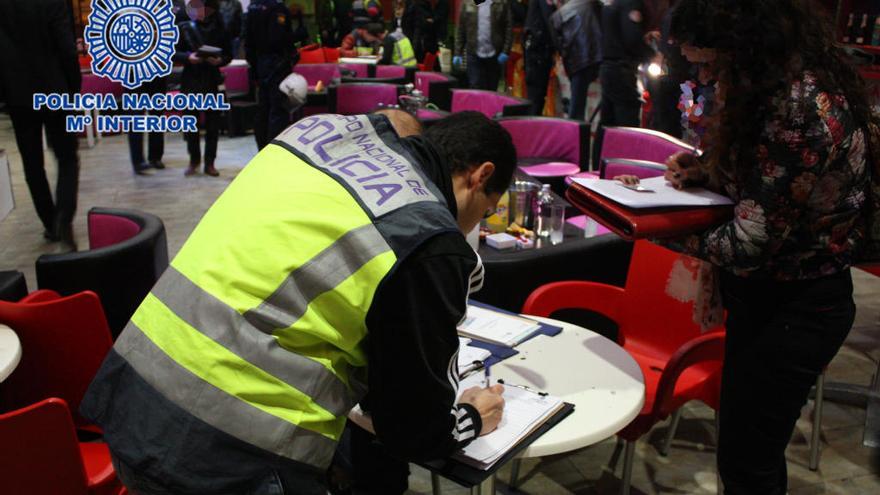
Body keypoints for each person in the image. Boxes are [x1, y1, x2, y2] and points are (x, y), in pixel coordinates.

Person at [81, 110, 514, 494]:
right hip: (233, 452)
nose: (481, 221)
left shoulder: (313, 133)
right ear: (480, 177)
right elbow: (412, 430)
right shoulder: (428, 238)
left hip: (133, 398)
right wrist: (471, 415)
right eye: (489, 209)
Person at [621, 1, 876, 493]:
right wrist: (704, 171)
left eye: (710, 64)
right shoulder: (788, 83)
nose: (703, 75)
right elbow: (771, 185)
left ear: (745, 45)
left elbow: (748, 244)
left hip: (795, 309)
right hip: (779, 301)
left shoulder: (796, 109)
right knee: (748, 456)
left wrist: (647, 226)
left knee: (747, 462)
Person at [0, 0, 80, 251]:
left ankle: (49, 221)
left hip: (17, 95)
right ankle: (63, 218)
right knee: (67, 158)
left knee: (32, 163)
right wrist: (73, 87)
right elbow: (66, 47)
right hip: (54, 89)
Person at [175, 0, 232, 177]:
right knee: (191, 124)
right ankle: (194, 160)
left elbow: (228, 53)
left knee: (213, 124)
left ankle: (210, 163)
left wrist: (220, 60)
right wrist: (187, 57)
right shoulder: (183, 22)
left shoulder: (218, 24)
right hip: (190, 79)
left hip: (211, 79)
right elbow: (171, 51)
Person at [593, 0, 651, 165]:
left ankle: (598, 168)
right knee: (627, 126)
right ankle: (627, 168)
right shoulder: (630, 3)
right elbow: (631, 38)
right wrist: (652, 54)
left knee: (606, 123)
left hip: (608, 66)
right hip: (622, 69)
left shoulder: (611, 3)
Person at [245, 0, 297, 150]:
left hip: (260, 64)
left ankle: (262, 150)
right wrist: (297, 35)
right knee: (278, 110)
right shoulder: (277, 8)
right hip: (277, 65)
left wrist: (254, 69)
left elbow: (247, 41)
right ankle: (274, 151)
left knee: (263, 109)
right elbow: (277, 40)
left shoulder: (252, 8)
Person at [548, 0, 603, 120]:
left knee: (577, 105)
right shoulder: (590, 4)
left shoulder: (557, 16)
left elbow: (558, 45)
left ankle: (576, 134)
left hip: (577, 62)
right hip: (598, 57)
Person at [454, 0, 514, 91]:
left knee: (491, 87)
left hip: (495, 53)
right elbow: (461, 29)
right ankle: (477, 105)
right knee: (475, 85)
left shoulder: (501, 3)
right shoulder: (467, 3)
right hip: (473, 52)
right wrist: (458, 52)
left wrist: (505, 51)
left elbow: (508, 28)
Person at [126, 77, 168, 176]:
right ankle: (138, 161)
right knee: (135, 119)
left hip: (156, 75)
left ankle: (155, 157)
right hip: (134, 75)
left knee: (157, 117)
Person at [523, 0, 556, 115]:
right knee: (536, 96)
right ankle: (533, 127)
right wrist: (560, 46)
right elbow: (550, 21)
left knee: (538, 95)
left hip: (538, 50)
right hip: (538, 51)